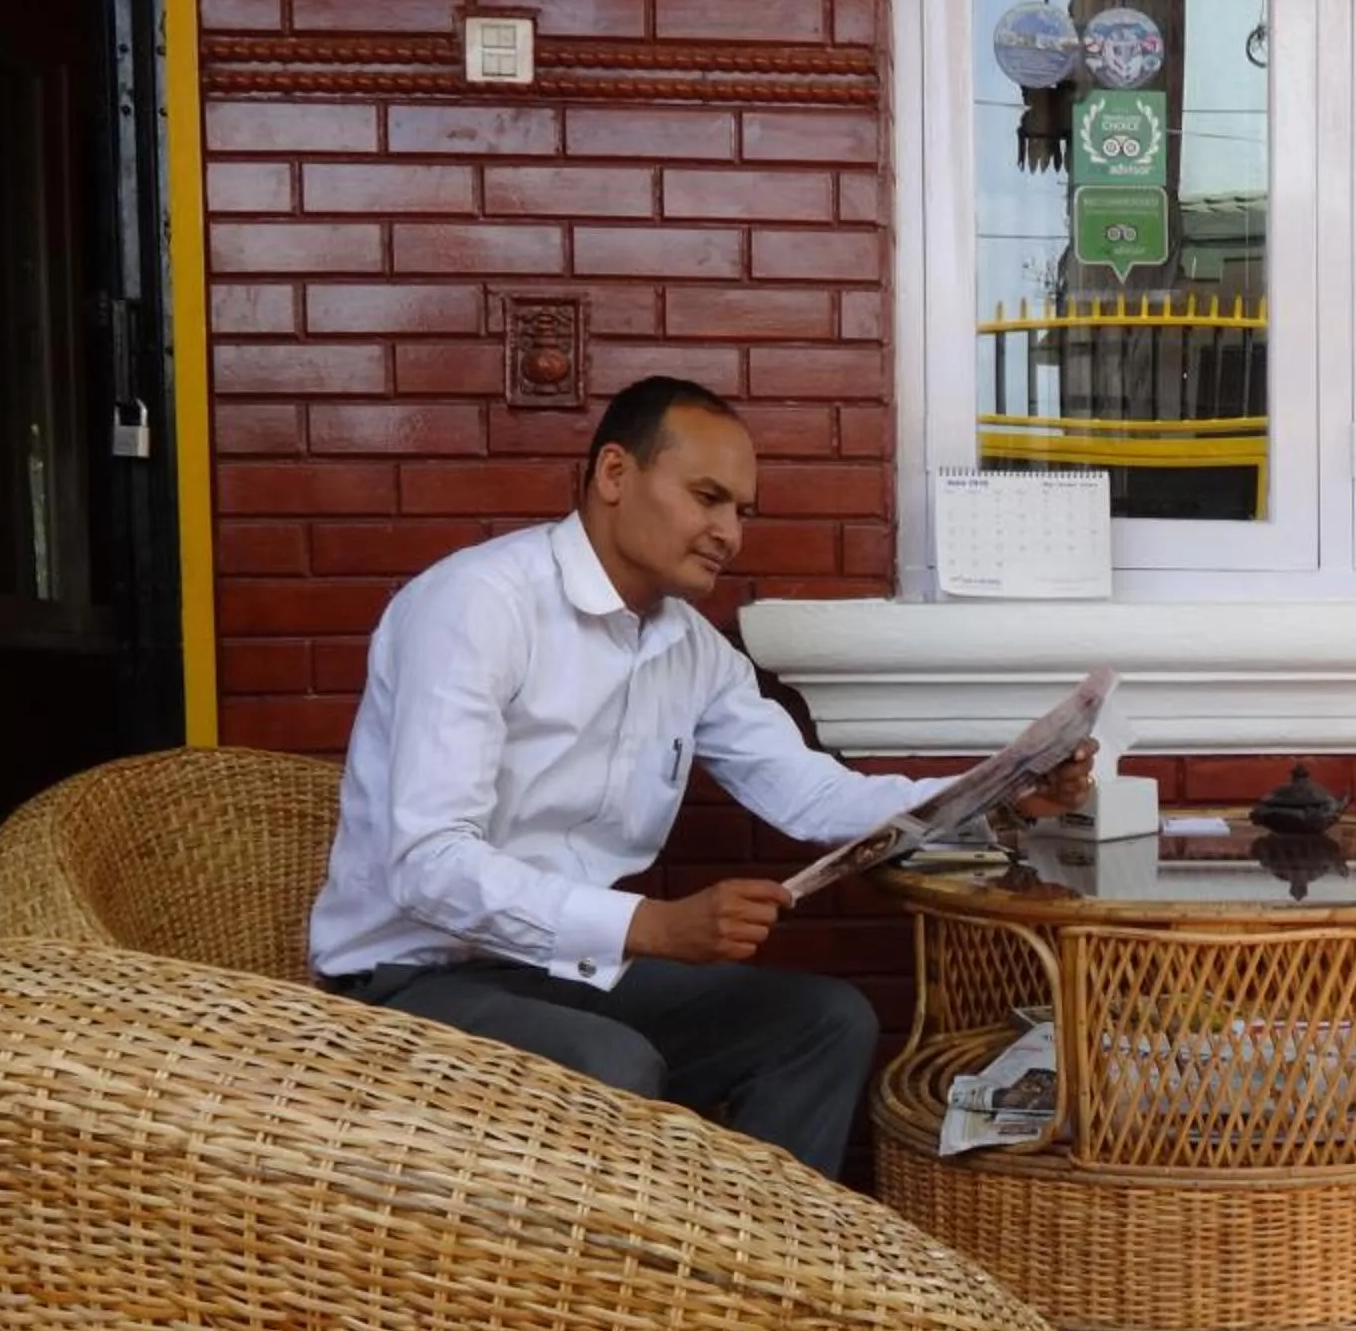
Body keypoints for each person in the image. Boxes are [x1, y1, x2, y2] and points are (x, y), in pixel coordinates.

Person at [308, 375, 1089, 1177]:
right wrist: (650, 927)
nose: (730, 533)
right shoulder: (480, 605)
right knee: (614, 1066)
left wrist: (994, 796)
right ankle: (629, 1295)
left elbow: (811, 792)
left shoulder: (692, 651)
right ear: (615, 475)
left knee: (825, 1021)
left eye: (742, 511)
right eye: (708, 498)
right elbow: (427, 864)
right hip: (406, 985)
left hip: (565, 971)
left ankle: (755, 1272)